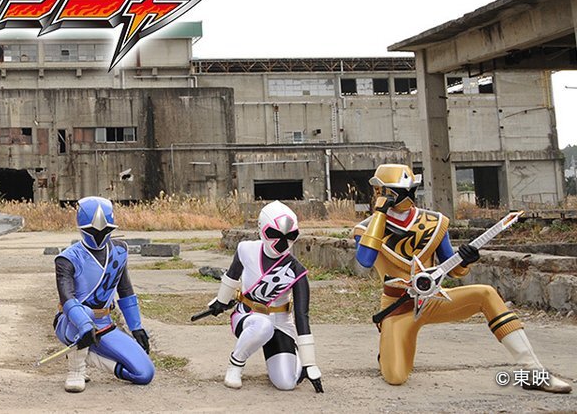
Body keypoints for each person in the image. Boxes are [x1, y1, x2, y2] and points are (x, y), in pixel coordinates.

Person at [354, 164, 570, 392]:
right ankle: (388, 350)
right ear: (380, 191)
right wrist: (380, 214)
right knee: (396, 376)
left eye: (409, 190)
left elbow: (454, 270)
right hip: (398, 307)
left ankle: (533, 370)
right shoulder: (366, 229)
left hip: (434, 299)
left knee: (485, 293)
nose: (405, 196)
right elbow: (365, 260)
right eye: (396, 191)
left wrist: (465, 260)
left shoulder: (435, 222)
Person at [204, 201, 322, 392]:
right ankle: (235, 365)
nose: (282, 242)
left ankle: (294, 354)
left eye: (290, 236)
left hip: (281, 322)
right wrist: (220, 301)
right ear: (261, 230)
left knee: (287, 383)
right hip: (247, 316)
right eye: (274, 234)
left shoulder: (295, 270)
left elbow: (302, 316)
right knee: (262, 326)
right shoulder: (246, 250)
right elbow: (232, 277)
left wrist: (309, 363)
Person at [53, 196, 154, 393]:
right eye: (93, 230)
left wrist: (136, 327)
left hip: (104, 323)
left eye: (105, 230)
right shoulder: (68, 258)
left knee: (144, 373)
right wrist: (84, 325)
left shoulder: (119, 251)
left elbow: (125, 290)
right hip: (70, 323)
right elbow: (67, 299)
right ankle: (76, 369)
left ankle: (88, 356)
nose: (99, 234)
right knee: (83, 313)